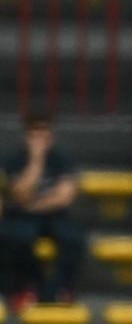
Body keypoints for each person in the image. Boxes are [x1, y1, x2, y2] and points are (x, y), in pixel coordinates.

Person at [1, 116, 85, 308]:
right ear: (26, 138)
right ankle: (28, 288)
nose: (40, 141)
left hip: (53, 214)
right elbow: (21, 194)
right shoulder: (13, 159)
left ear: (51, 137)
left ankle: (60, 290)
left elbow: (64, 197)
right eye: (35, 135)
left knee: (74, 238)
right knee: (17, 238)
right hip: (21, 215)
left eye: (44, 135)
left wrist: (34, 205)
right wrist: (36, 161)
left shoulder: (63, 159)